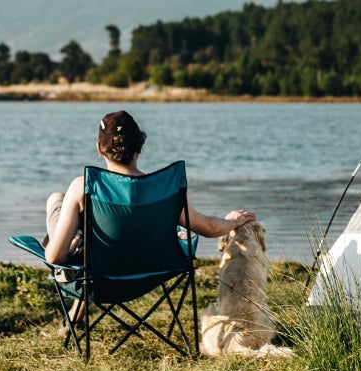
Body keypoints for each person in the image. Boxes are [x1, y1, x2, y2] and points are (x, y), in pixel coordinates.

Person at [44, 110, 256, 331]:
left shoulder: (84, 185)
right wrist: (232, 221)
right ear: (140, 148)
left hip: (98, 279)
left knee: (57, 200)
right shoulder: (164, 189)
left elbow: (54, 256)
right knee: (99, 233)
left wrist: (69, 247)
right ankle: (75, 309)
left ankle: (77, 241)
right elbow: (211, 228)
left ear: (99, 149)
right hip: (150, 277)